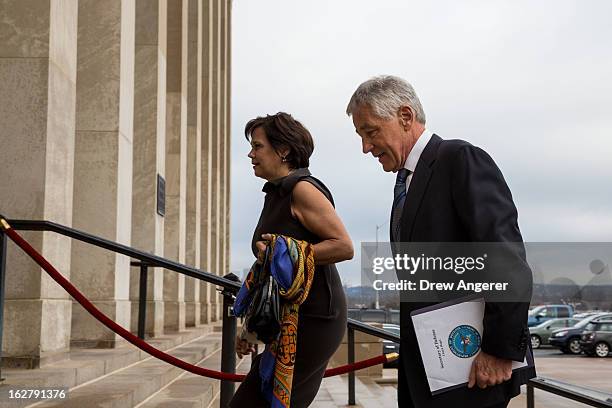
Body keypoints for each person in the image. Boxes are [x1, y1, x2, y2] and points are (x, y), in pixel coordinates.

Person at [346, 75, 535, 408]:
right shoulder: (406, 182)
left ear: (405, 116)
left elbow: (505, 258)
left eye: (371, 131)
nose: (366, 147)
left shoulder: (460, 159)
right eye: (360, 136)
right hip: (429, 367)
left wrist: (498, 350)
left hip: (472, 365)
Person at [229, 112, 353, 407]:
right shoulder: (275, 192)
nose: (250, 153)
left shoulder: (302, 189)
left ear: (283, 151)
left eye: (257, 146)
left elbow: (344, 246)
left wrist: (284, 250)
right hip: (287, 317)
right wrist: (252, 329)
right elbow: (270, 269)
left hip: (315, 319)